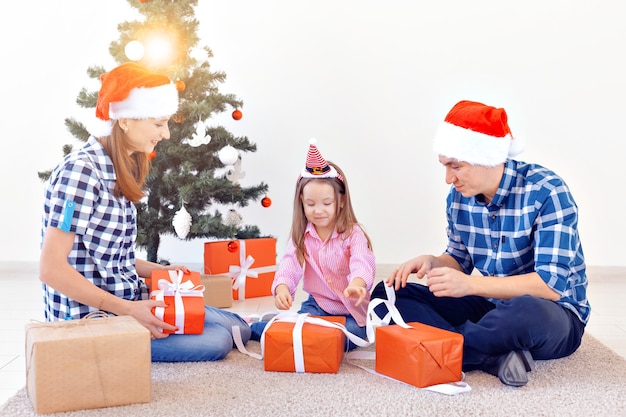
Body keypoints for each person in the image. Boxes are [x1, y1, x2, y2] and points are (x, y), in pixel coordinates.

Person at [39, 62, 251, 362]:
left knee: (236, 326)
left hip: (128, 302)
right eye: (158, 123)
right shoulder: (81, 174)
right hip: (95, 319)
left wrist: (161, 271)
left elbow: (112, 256)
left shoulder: (116, 166)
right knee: (218, 339)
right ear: (125, 120)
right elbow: (51, 269)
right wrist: (128, 311)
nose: (165, 134)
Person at [371, 100, 589, 387]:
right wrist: (432, 262)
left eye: (455, 166)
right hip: (490, 307)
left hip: (554, 315)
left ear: (486, 158)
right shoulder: (459, 197)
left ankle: (437, 347)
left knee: (526, 311)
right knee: (389, 294)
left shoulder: (547, 191)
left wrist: (470, 285)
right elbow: (459, 259)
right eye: (444, 166)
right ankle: (491, 358)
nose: (448, 179)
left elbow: (548, 286)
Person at [249, 140, 376, 350]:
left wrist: (357, 285)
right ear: (301, 201)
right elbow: (289, 266)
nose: (318, 210)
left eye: (327, 203)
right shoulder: (302, 235)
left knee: (352, 337)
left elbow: (362, 263)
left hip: (351, 312)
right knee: (299, 332)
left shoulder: (353, 234)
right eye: (310, 204)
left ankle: (316, 336)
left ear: (341, 201)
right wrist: (282, 289)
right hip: (317, 305)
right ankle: (256, 328)